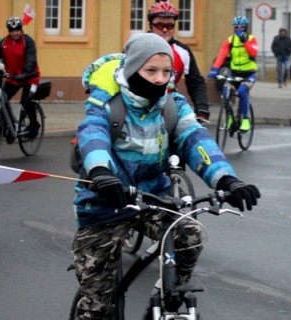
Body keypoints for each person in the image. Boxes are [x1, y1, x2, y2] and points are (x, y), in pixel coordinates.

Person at [72, 33, 260, 319]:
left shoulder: (173, 105)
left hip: (153, 199)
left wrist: (226, 180)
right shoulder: (107, 104)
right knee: (97, 307)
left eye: (166, 71)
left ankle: (165, 303)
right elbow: (93, 136)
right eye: (151, 71)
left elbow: (196, 140)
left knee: (191, 236)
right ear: (133, 70)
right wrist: (100, 172)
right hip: (105, 202)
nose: (160, 79)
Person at [146, 1, 211, 123]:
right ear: (151, 25)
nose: (165, 30)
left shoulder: (183, 51)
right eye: (160, 25)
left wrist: (201, 108)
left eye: (170, 26)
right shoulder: (137, 46)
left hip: (169, 107)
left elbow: (196, 82)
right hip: (140, 107)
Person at [0, 16, 41, 139]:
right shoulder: (4, 43)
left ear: (21, 30)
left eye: (17, 30)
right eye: (12, 31)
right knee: (1, 99)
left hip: (30, 77)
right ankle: (7, 126)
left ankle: (34, 125)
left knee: (26, 100)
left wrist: (26, 72)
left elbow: (31, 57)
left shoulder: (27, 41)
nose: (15, 33)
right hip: (13, 78)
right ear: (9, 31)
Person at [207, 15, 258, 132]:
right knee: (226, 93)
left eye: (242, 27)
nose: (239, 29)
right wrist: (215, 69)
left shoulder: (251, 39)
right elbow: (221, 55)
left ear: (246, 28)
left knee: (242, 91)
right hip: (235, 73)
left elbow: (253, 53)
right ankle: (229, 118)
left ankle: (245, 120)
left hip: (249, 73)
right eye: (236, 27)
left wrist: (244, 40)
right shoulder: (230, 41)